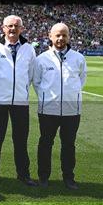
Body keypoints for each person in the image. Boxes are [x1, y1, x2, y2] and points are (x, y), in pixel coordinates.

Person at [0, 15, 37, 186]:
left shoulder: (29, 49)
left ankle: (23, 174)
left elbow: (31, 74)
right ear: (3, 28)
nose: (13, 29)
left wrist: (21, 91)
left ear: (21, 28)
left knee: (21, 140)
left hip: (20, 103)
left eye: (16, 26)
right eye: (9, 26)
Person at [33, 23, 87, 189]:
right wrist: (46, 97)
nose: (61, 38)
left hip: (72, 111)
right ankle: (43, 177)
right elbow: (36, 82)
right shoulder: (41, 59)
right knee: (45, 144)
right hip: (48, 110)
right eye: (57, 35)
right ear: (50, 36)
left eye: (64, 35)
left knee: (69, 145)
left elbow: (82, 80)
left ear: (68, 37)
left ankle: (69, 178)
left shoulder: (78, 58)